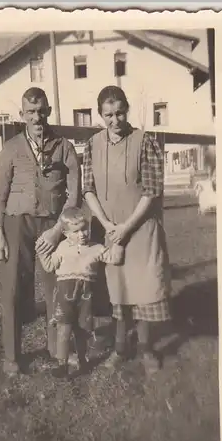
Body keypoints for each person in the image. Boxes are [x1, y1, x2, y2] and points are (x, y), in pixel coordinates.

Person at [82, 85, 172, 375]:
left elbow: (151, 190)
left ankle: (146, 349)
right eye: (108, 114)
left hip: (141, 226)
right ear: (100, 115)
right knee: (117, 290)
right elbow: (88, 190)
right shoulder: (91, 145)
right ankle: (121, 349)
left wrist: (127, 227)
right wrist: (109, 227)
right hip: (109, 230)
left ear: (127, 110)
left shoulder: (144, 142)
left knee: (144, 290)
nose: (115, 120)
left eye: (120, 112)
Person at [0, 87, 81, 375]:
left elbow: (75, 194)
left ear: (49, 112)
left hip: (52, 225)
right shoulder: (11, 148)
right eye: (30, 112)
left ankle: (59, 350)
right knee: (13, 290)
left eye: (41, 110)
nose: (37, 116)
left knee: (58, 288)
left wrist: (58, 230)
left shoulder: (64, 146)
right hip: (17, 225)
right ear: (22, 115)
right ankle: (12, 356)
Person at [36, 207, 124, 379]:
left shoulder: (96, 248)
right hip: (64, 295)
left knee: (82, 329)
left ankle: (83, 359)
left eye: (84, 229)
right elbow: (49, 266)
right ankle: (62, 363)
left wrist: (119, 241)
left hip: (85, 297)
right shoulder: (61, 248)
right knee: (64, 328)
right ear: (67, 233)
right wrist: (41, 251)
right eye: (76, 231)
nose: (82, 234)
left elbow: (114, 258)